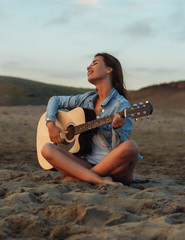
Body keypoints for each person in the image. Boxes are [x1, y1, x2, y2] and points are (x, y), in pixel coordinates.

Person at [41, 53, 142, 186]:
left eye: (95, 63)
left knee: (131, 146)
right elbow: (55, 99)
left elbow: (119, 150)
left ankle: (81, 177)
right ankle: (96, 179)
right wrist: (50, 123)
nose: (88, 67)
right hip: (87, 163)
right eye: (89, 64)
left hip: (115, 168)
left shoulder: (121, 105)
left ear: (109, 69)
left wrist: (116, 129)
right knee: (47, 149)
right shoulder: (87, 99)